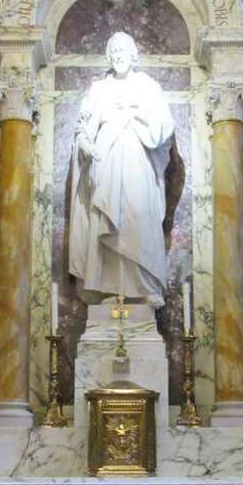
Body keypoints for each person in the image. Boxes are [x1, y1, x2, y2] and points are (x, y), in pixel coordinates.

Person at [68, 31, 175, 305]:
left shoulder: (147, 86)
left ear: (133, 55)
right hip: (106, 160)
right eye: (113, 54)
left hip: (138, 161)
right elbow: (83, 128)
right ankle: (109, 287)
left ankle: (142, 287)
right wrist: (85, 145)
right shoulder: (99, 89)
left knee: (137, 217)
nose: (118, 58)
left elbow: (163, 128)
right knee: (106, 219)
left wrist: (135, 110)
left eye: (123, 52)